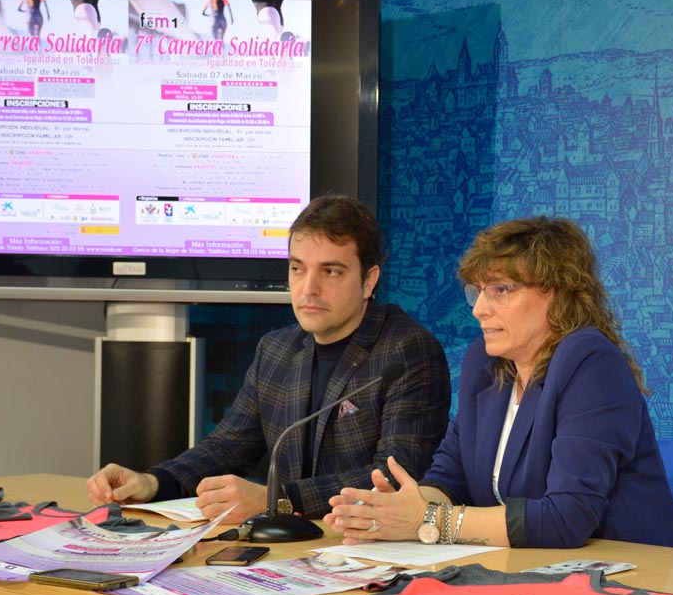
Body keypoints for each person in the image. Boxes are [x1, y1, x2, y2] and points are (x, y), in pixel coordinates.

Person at [328, 216, 673, 549]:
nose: (478, 309)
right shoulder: (485, 365)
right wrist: (396, 509)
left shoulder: (591, 363)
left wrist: (428, 521)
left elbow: (566, 518)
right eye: (477, 291)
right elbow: (449, 478)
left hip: (641, 586)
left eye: (500, 290)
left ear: (556, 292)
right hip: (535, 578)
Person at [87, 196, 451, 524]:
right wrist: (153, 481)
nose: (308, 288)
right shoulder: (276, 350)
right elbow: (227, 447)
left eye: (331, 271)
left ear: (369, 280)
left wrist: (275, 500)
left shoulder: (407, 352)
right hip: (291, 549)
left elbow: (394, 478)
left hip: (365, 549)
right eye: (297, 269)